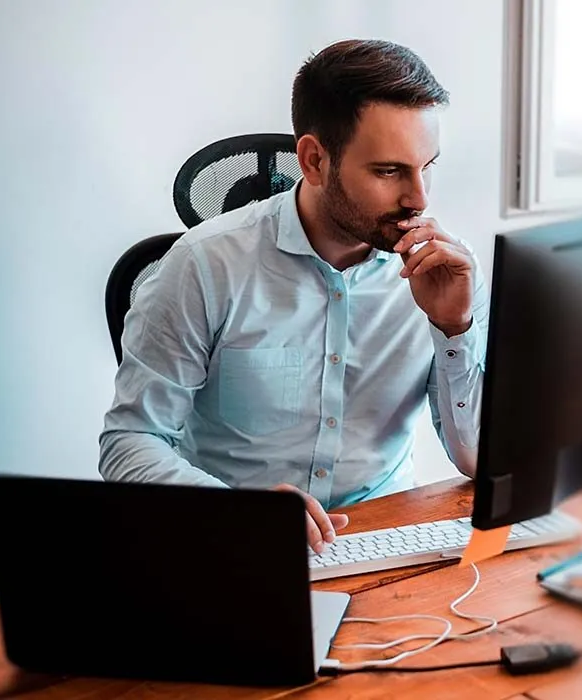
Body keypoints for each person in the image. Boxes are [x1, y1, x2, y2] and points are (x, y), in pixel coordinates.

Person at [99, 39, 489, 554]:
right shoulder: (204, 266)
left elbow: (477, 459)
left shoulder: (445, 271)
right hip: (240, 545)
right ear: (313, 160)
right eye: (388, 171)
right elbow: (129, 441)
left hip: (387, 537)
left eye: (427, 166)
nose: (419, 198)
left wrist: (454, 328)